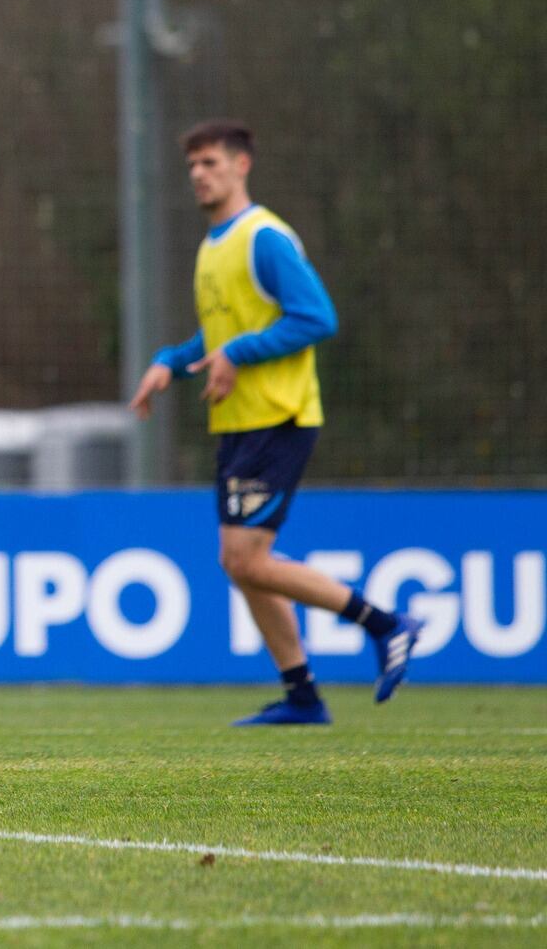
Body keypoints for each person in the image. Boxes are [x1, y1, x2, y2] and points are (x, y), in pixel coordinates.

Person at [130, 119, 420, 726]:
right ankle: (302, 695)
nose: (199, 176)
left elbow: (316, 317)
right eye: (192, 167)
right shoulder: (214, 246)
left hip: (278, 418)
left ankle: (386, 625)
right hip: (238, 423)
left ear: (242, 166)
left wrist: (237, 355)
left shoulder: (264, 238)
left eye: (210, 163)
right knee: (239, 563)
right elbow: (221, 336)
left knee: (247, 560)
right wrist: (170, 362)